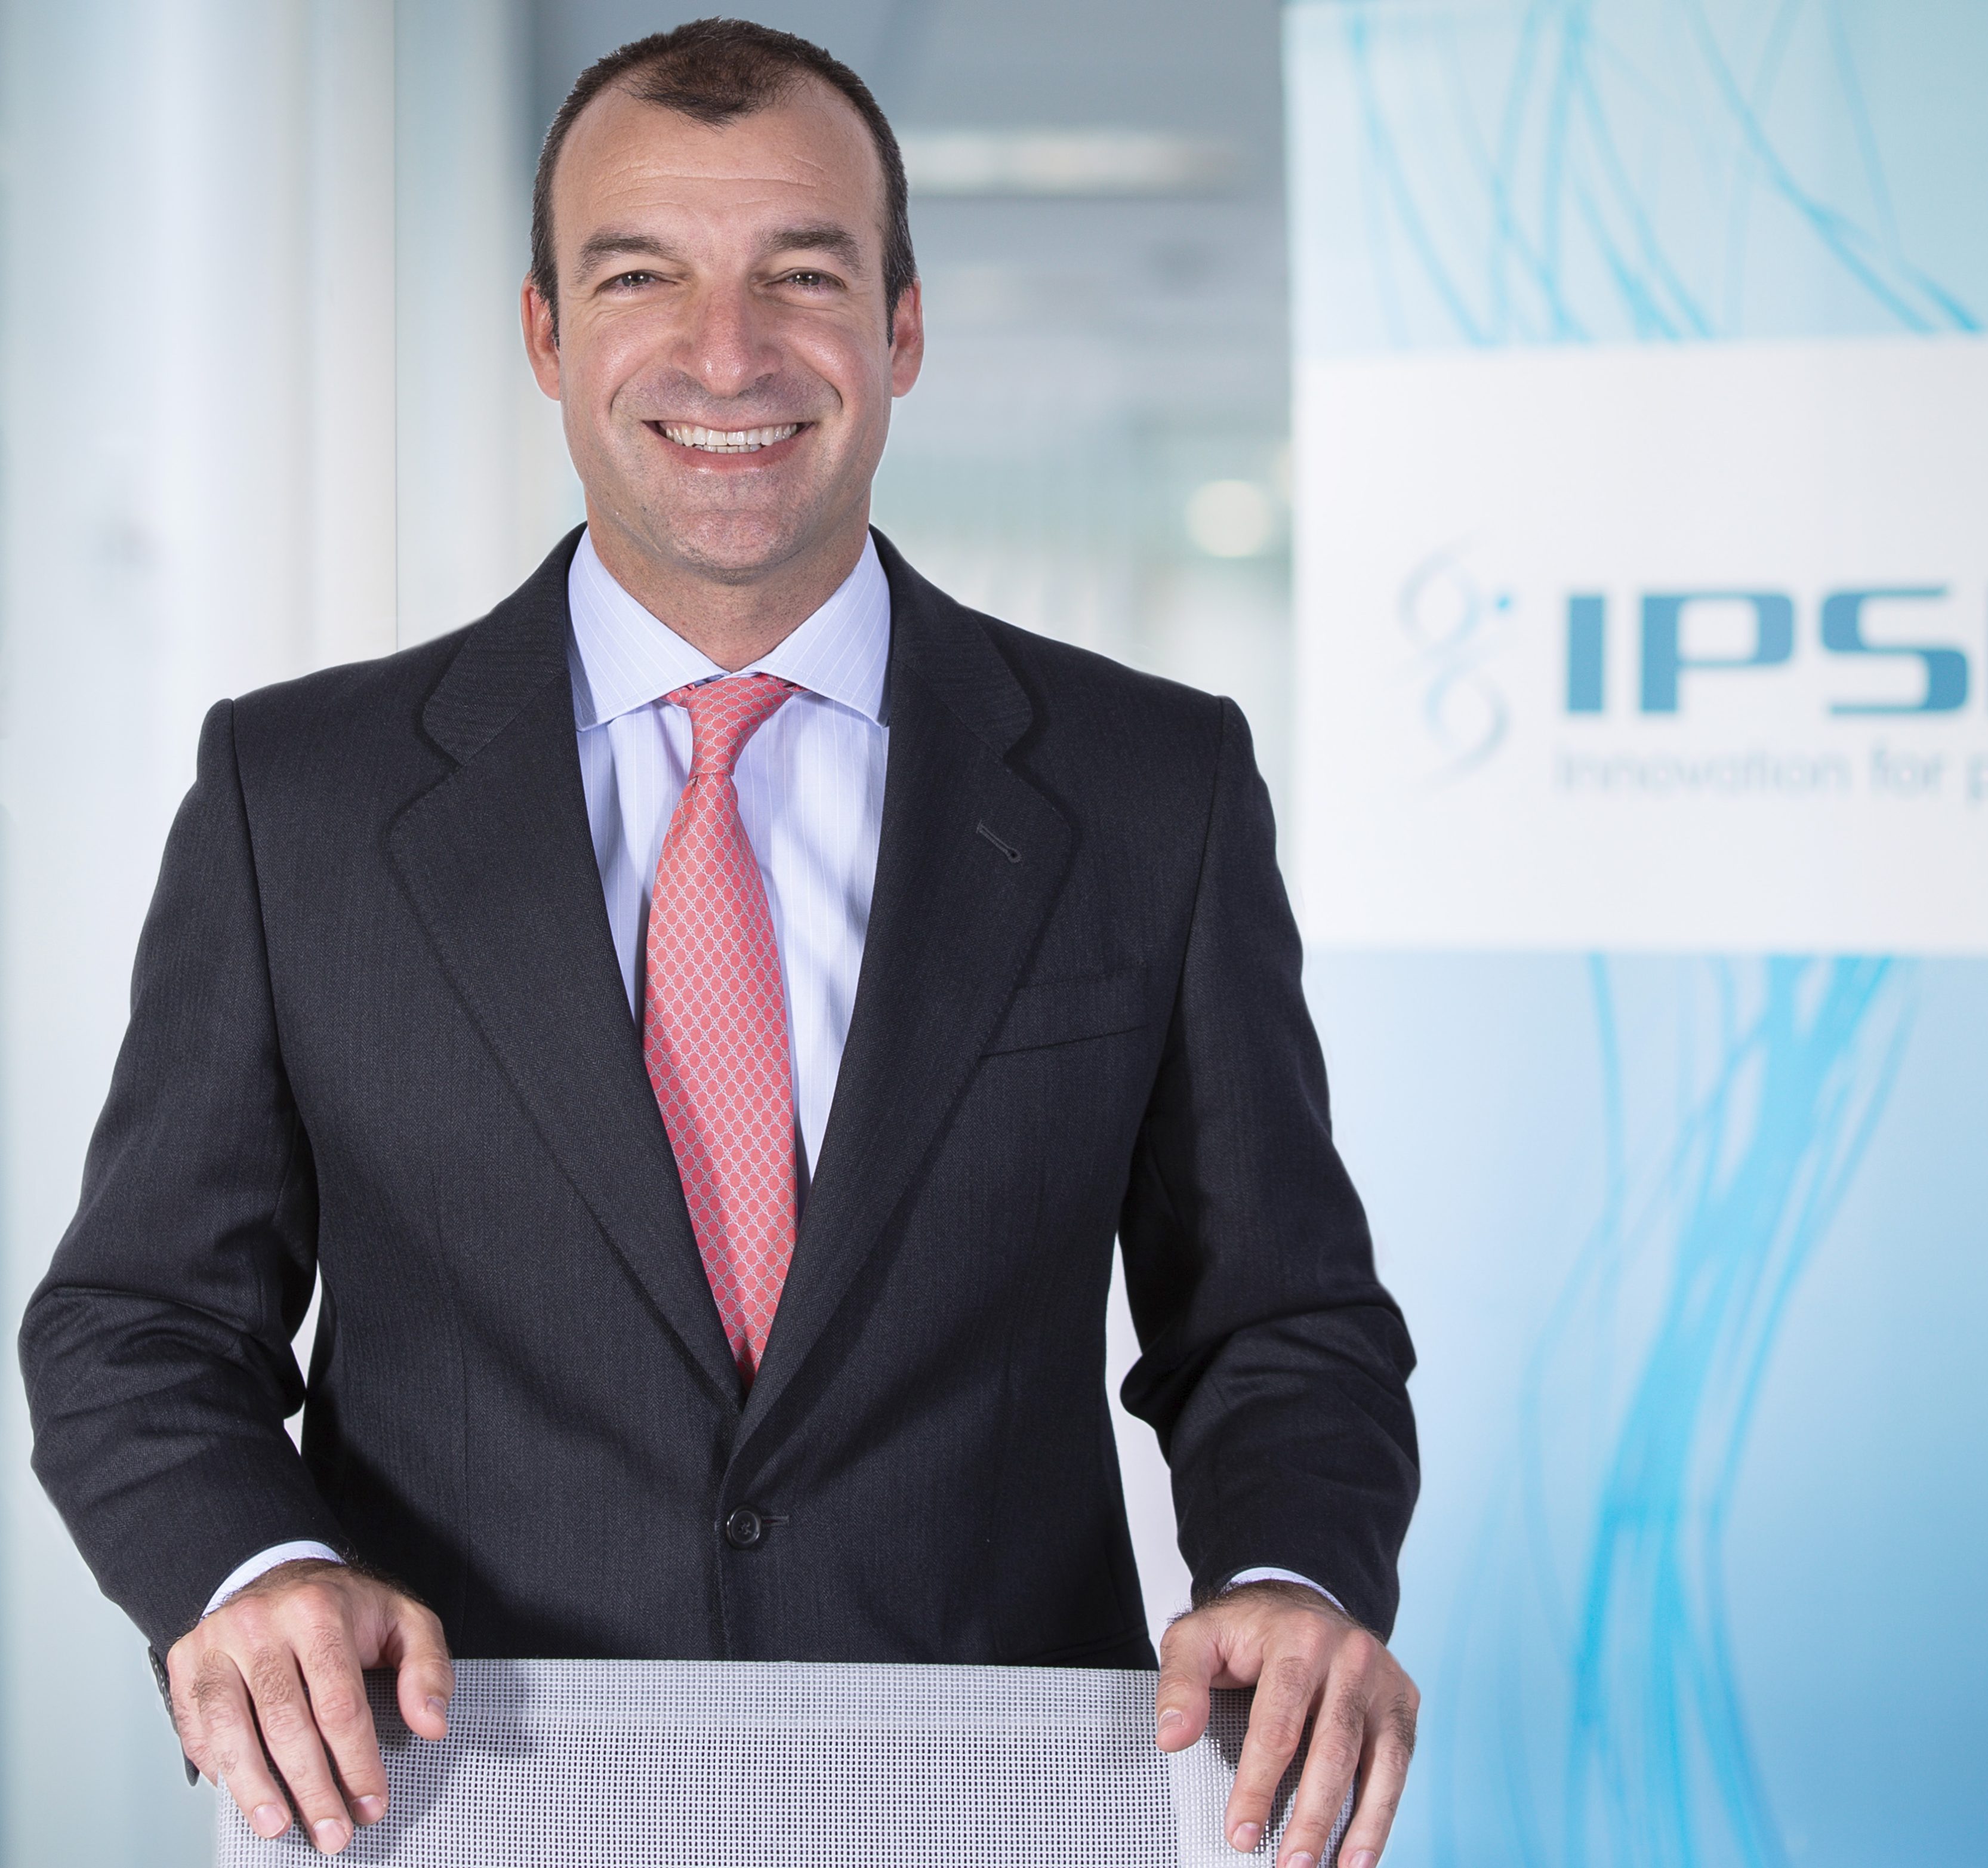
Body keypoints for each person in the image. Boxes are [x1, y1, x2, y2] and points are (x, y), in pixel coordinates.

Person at [17, 17, 1419, 1868]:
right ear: (546, 336)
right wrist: (252, 1566)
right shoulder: (304, 799)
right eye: (641, 277)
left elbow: (1281, 1322)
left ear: (902, 329)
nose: (728, 351)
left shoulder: (1151, 786)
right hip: (453, 1805)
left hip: (988, 1808)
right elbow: (138, 1323)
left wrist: (1293, 1576)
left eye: (803, 275)